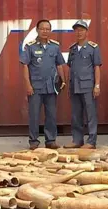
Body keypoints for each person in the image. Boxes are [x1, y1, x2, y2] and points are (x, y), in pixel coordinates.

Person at [19, 19, 66, 150]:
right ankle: (34, 141)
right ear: (37, 30)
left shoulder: (55, 46)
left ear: (50, 31)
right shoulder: (30, 46)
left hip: (51, 87)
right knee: (34, 115)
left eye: (47, 29)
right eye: (42, 28)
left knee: (51, 115)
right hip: (35, 87)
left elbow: (59, 64)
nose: (45, 31)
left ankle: (50, 140)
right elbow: (25, 66)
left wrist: (63, 80)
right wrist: (28, 85)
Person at [64, 20, 102, 149]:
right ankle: (77, 140)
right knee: (76, 114)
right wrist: (69, 86)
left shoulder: (93, 48)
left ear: (86, 31)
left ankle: (91, 141)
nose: (79, 32)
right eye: (77, 30)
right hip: (74, 86)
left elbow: (97, 67)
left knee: (90, 114)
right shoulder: (72, 49)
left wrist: (97, 85)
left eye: (81, 30)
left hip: (88, 87)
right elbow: (71, 68)